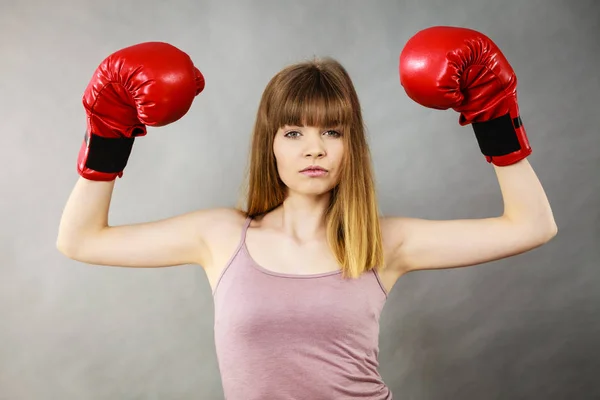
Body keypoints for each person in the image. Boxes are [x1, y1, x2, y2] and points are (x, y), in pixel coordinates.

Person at [57, 27, 557, 400]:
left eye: (332, 132)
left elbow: (532, 226)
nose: (314, 149)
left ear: (350, 146)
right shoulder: (219, 235)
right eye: (294, 133)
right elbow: (80, 240)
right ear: (270, 146)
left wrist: (495, 118)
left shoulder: (382, 243)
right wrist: (107, 134)